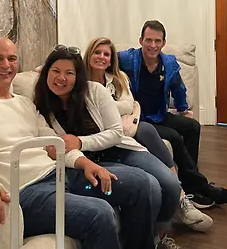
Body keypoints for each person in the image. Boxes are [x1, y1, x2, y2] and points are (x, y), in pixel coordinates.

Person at [0, 38, 159, 249]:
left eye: (11, 58)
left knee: (138, 183)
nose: (6, 65)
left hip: (61, 175)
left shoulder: (25, 104)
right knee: (100, 214)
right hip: (28, 193)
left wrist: (84, 163)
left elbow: (53, 145)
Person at [34, 44, 184, 249]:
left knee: (171, 184)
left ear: (78, 75)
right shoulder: (42, 106)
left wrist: (80, 141)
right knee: (150, 186)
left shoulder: (94, 91)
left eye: (69, 73)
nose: (62, 78)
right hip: (89, 162)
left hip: (120, 149)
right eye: (56, 71)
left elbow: (116, 133)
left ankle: (158, 234)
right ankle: (148, 240)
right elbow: (54, 145)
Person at [84, 37, 213, 232]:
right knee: (155, 133)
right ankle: (184, 196)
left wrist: (183, 108)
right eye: (97, 52)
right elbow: (60, 68)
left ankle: (185, 192)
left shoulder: (119, 78)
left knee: (184, 128)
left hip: (130, 127)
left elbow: (129, 104)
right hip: (109, 137)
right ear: (141, 41)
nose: (102, 57)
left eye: (106, 54)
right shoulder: (81, 79)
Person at [118, 20, 227, 209]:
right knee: (173, 136)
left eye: (157, 41)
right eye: (148, 40)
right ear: (140, 41)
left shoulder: (169, 63)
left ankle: (190, 183)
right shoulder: (127, 59)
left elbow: (178, 88)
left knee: (192, 126)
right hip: (138, 120)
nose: (152, 45)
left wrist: (183, 109)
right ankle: (199, 187)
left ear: (163, 43)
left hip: (159, 114)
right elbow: (104, 61)